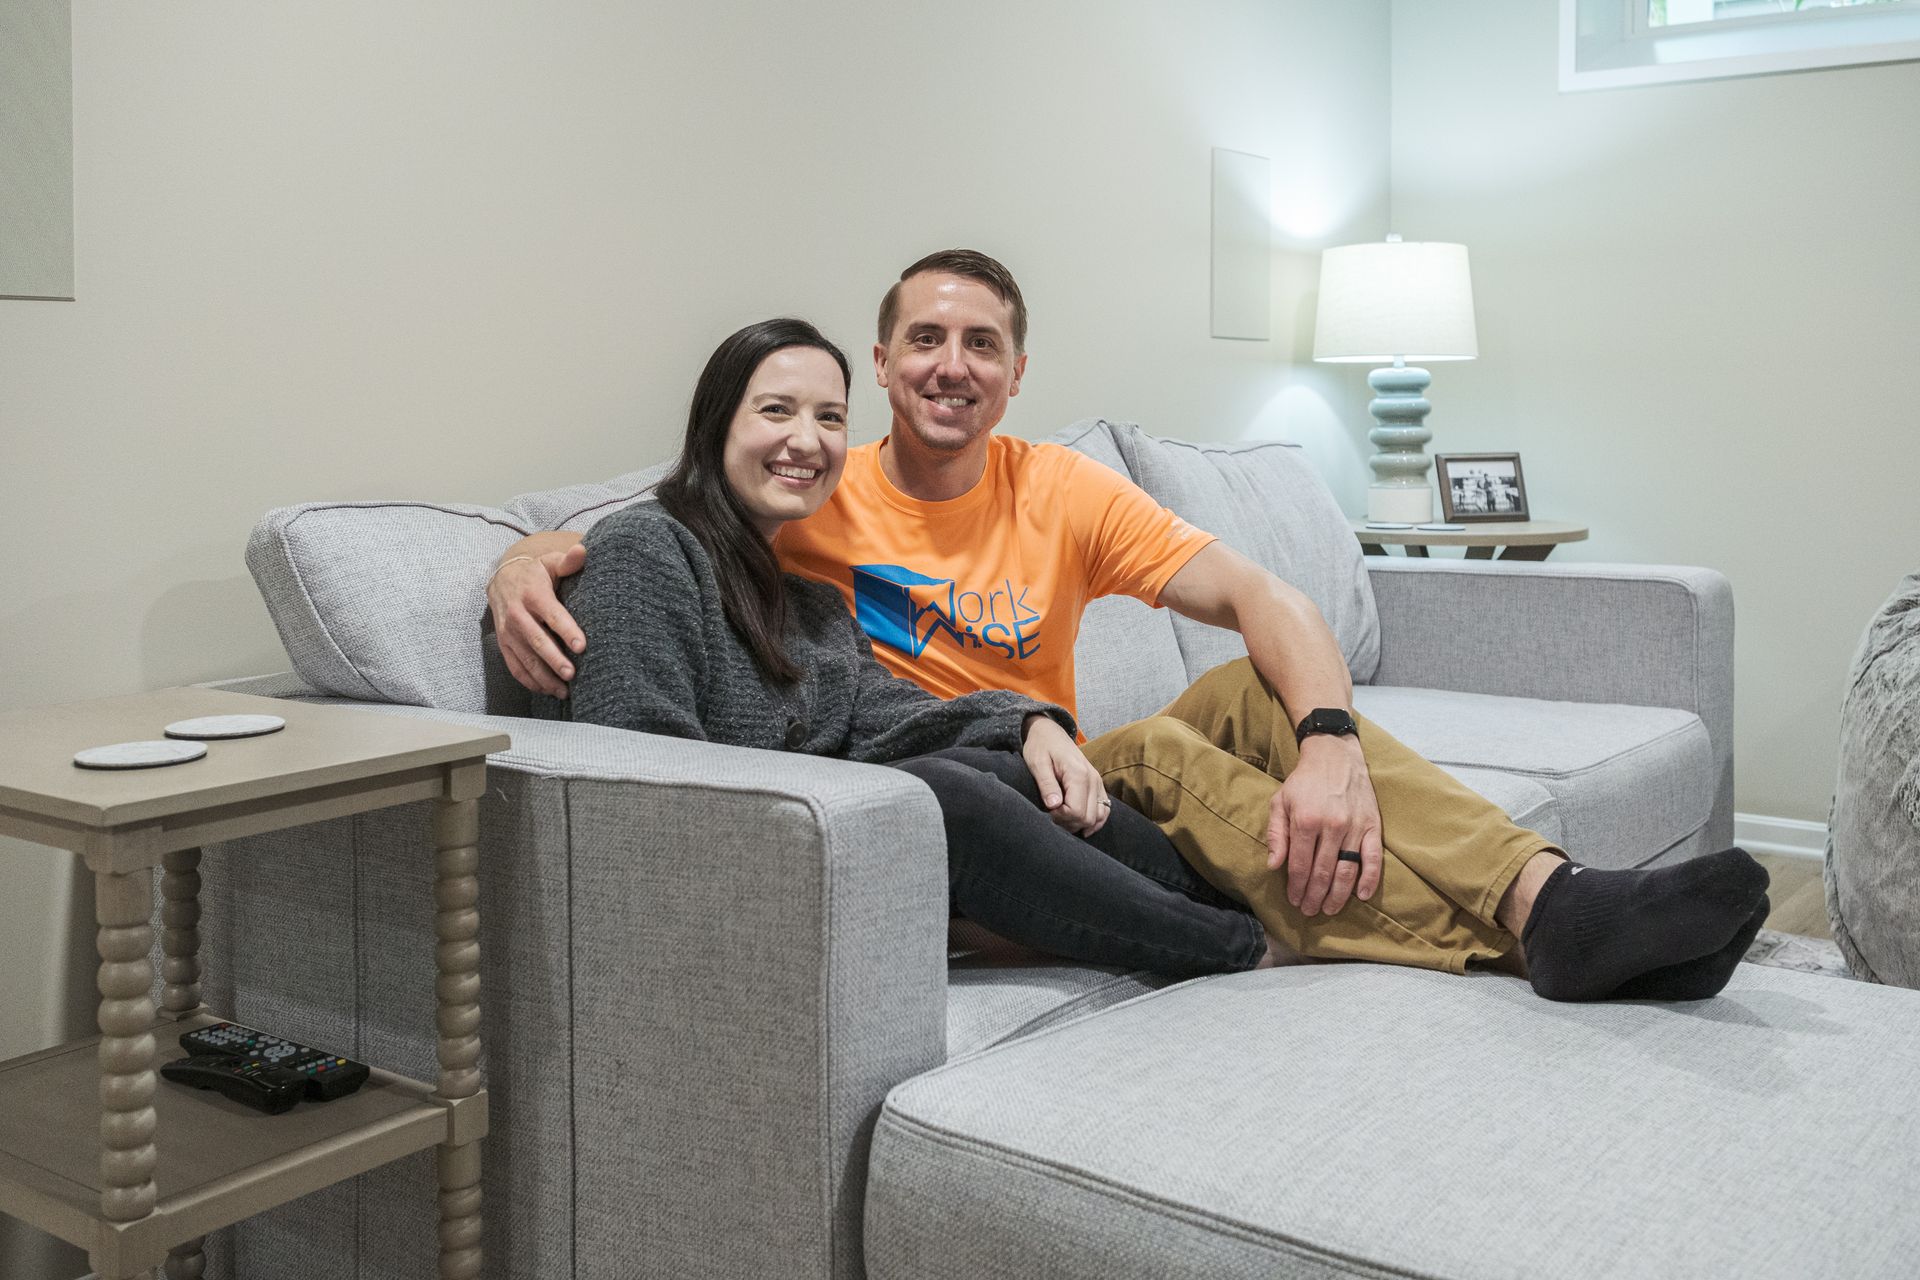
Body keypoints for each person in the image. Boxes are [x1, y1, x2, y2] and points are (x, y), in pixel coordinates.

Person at [493, 252, 1769, 1003]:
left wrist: (1329, 742)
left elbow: (1267, 601)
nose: (950, 364)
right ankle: (1531, 934)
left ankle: (1547, 894)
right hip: (957, 803)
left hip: (1032, 764)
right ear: (885, 363)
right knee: (1158, 752)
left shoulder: (1041, 492)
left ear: (1016, 373)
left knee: (1252, 698)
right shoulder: (803, 505)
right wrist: (527, 552)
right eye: (924, 339)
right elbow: (672, 527)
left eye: (981, 343)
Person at [533, 315, 1274, 980]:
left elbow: (894, 713)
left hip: (831, 835)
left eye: (829, 417)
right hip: (731, 859)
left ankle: (1239, 907)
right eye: (776, 410)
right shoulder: (647, 550)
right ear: (716, 424)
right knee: (946, 798)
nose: (807, 440)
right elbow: (637, 773)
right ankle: (1241, 946)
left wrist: (1028, 723)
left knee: (997, 768)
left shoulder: (808, 603)